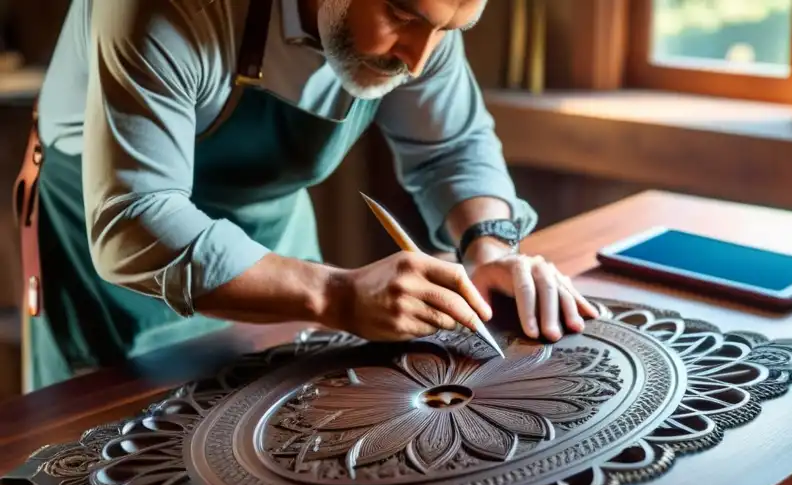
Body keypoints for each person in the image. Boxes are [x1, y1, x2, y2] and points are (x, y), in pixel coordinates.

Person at [18, 0, 597, 391]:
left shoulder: (426, 24)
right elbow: (136, 217)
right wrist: (336, 294)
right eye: (400, 12)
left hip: (275, 243)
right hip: (109, 269)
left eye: (447, 30)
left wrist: (490, 252)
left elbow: (452, 147)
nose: (418, 58)